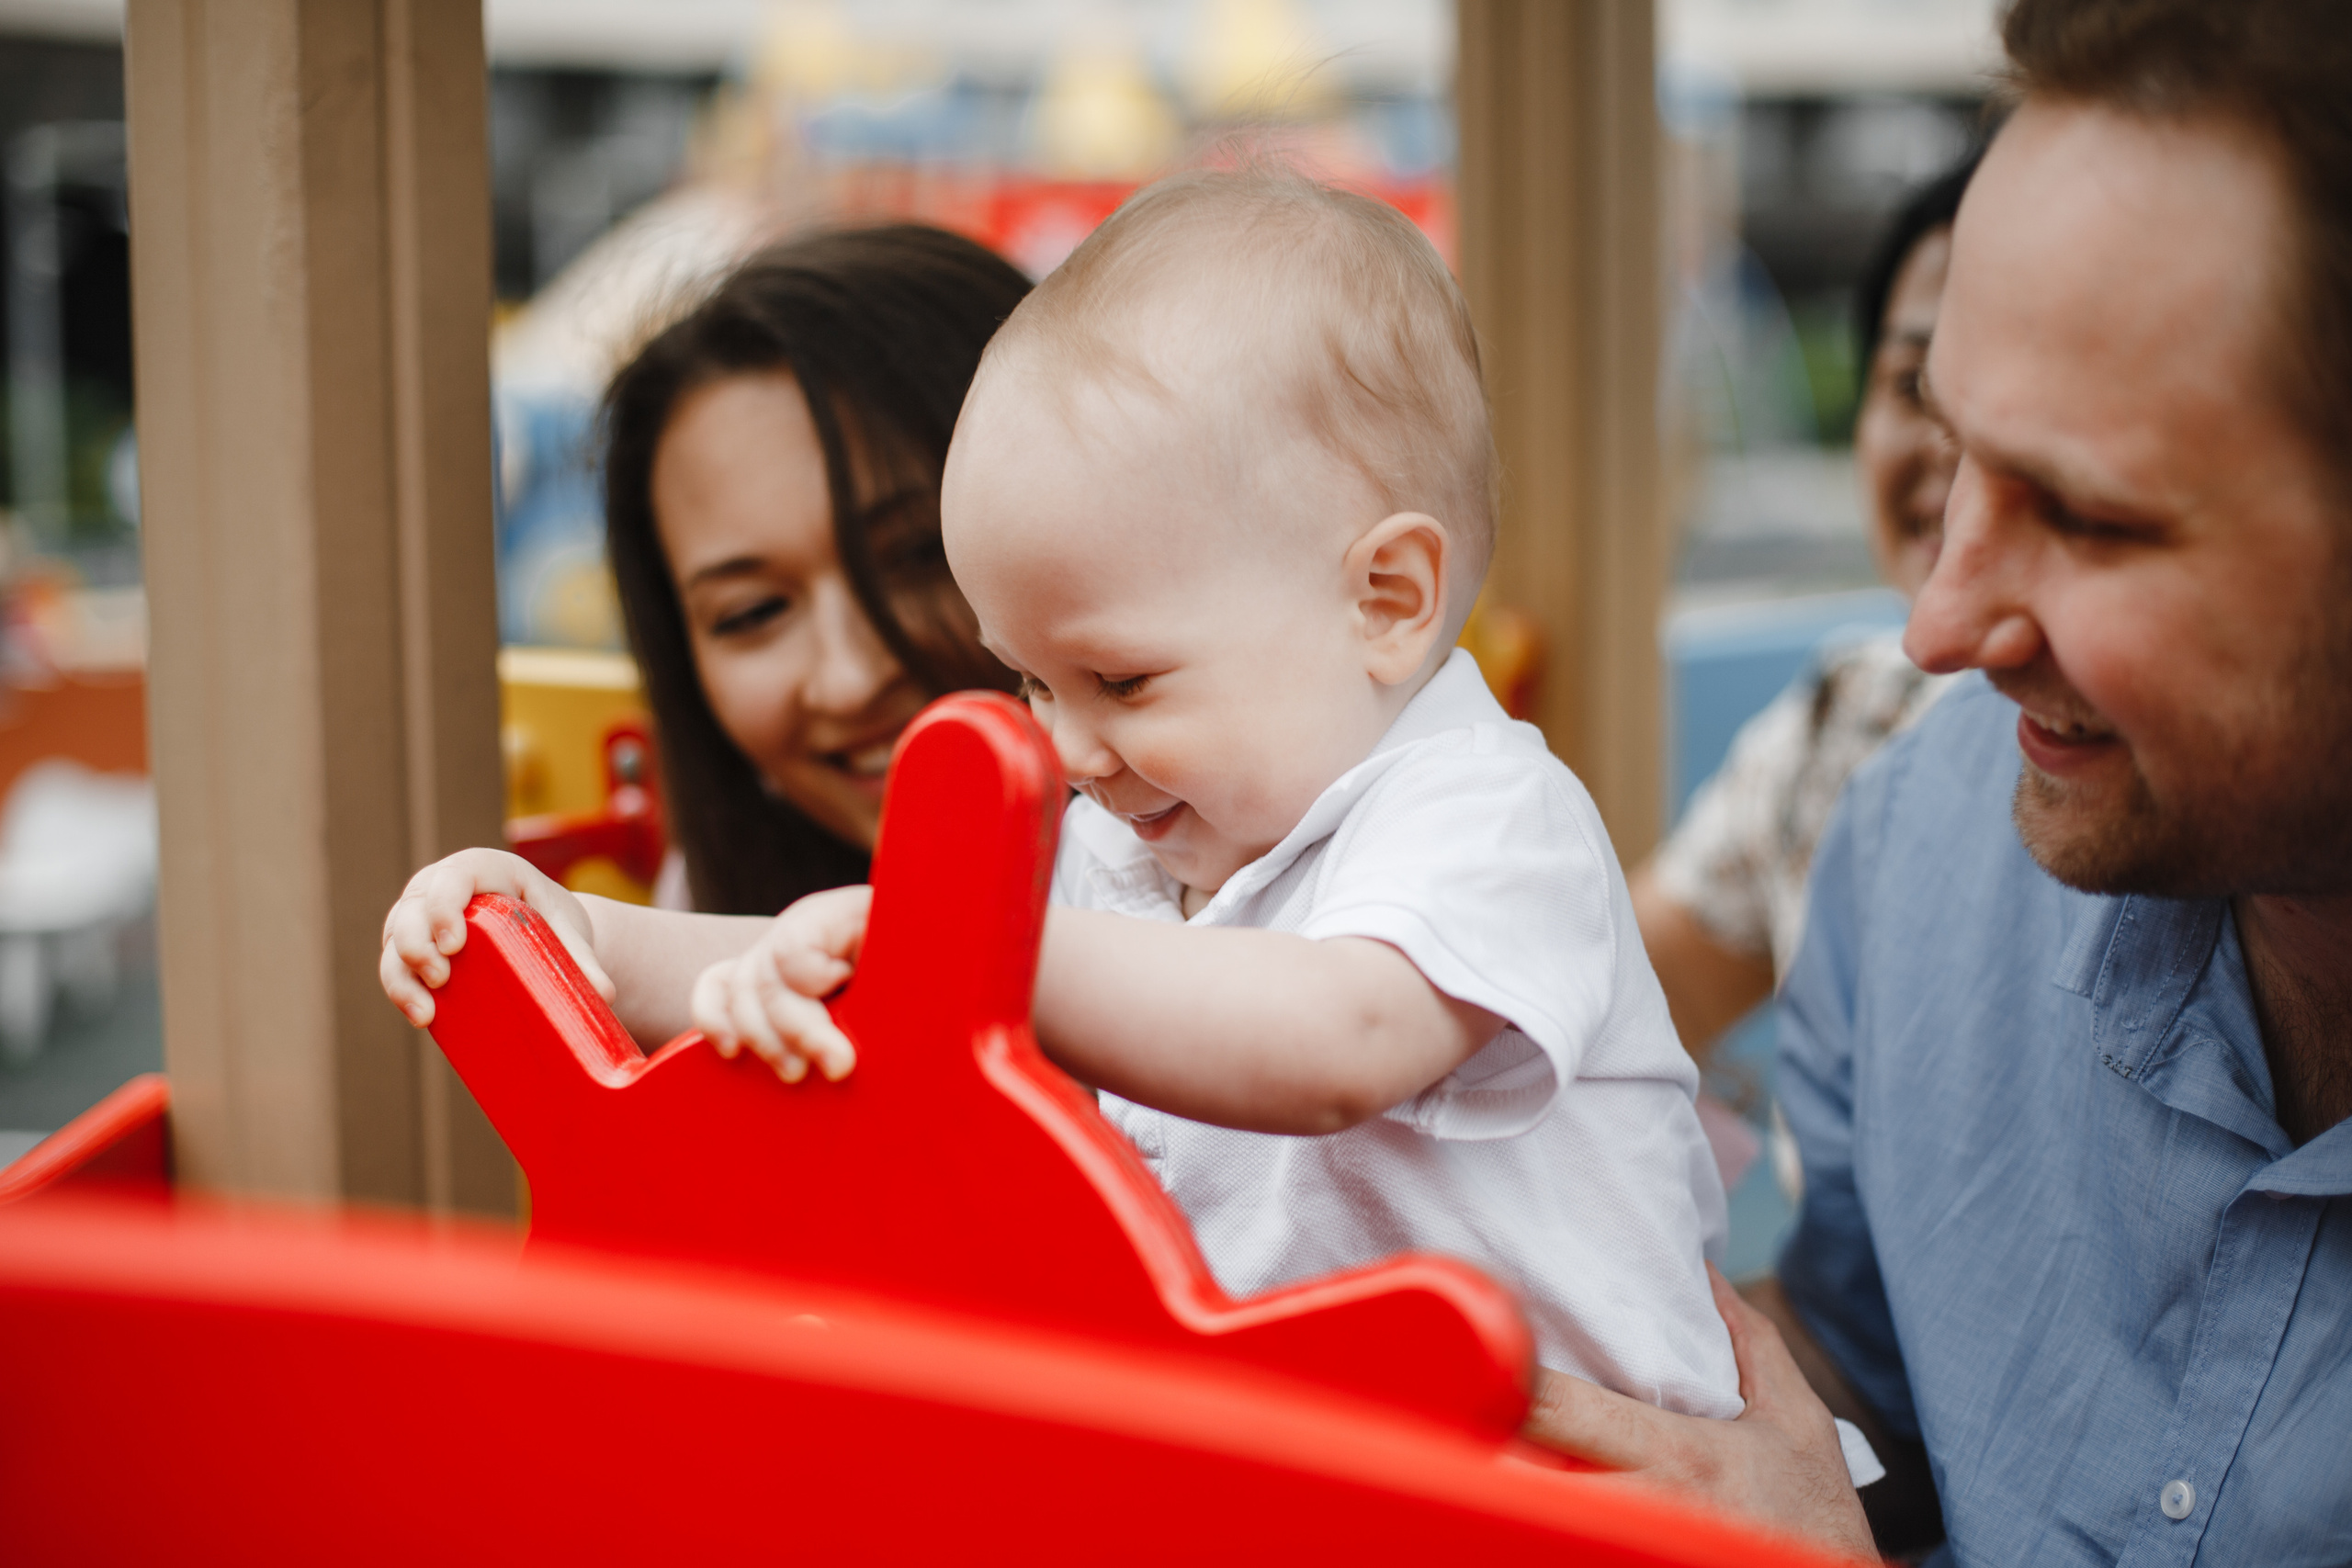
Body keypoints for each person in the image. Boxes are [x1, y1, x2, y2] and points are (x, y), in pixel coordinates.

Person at [386, 166, 1788, 1433]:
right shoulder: (1128, 846)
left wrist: (976, 954)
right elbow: (857, 992)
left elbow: (1337, 1039)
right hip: (1326, 1461)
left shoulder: (1479, 812)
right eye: (1030, 682)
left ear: (1387, 598)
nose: (1063, 744)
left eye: (1118, 676)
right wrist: (586, 939)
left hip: (1583, 1484)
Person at [1524, 1, 2352, 1561]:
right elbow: (1874, 1382)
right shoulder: (1921, 843)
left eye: (2091, 517)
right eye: (1954, 449)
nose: (1939, 624)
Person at [1634, 158, 1976, 1066]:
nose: (1954, 449)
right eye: (1911, 383)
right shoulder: (1849, 716)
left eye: (1994, 393)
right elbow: (1611, 992)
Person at [602, 225, 1030, 917]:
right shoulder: (699, 917)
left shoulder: (1250, 908)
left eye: (920, 554)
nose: (851, 679)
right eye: (753, 611)